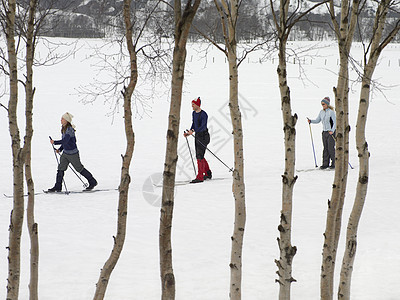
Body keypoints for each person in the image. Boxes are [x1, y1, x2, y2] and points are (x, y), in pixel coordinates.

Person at [48, 112, 97, 192]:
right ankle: (58, 186)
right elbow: (65, 143)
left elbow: (65, 140)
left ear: (66, 120)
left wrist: (55, 142)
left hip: (73, 154)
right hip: (65, 154)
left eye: (62, 119)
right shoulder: (63, 129)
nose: (61, 120)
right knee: (60, 169)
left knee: (79, 169)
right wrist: (60, 149)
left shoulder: (70, 129)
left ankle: (92, 181)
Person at [183, 97, 212, 183]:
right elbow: (194, 124)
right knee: (200, 155)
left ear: (198, 105)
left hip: (204, 136)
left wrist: (193, 131)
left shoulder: (204, 114)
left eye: (193, 104)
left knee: (199, 156)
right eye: (192, 104)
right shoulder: (194, 113)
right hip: (198, 136)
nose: (192, 106)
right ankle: (207, 173)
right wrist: (189, 132)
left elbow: (203, 126)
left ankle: (200, 177)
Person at [308, 96, 336, 169]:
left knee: (331, 148)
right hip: (324, 132)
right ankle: (325, 164)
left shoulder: (331, 112)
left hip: (331, 133)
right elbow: (318, 120)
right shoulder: (321, 112)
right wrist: (311, 121)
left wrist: (332, 131)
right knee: (325, 148)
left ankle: (334, 163)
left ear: (327, 104)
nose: (322, 105)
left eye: (323, 104)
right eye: (322, 104)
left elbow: (335, 123)